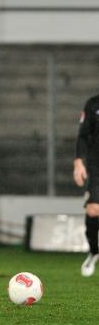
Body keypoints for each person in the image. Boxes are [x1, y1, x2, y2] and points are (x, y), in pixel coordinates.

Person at [74, 94, 99, 277]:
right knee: (93, 210)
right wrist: (78, 163)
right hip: (96, 164)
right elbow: (82, 135)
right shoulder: (93, 104)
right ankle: (94, 252)